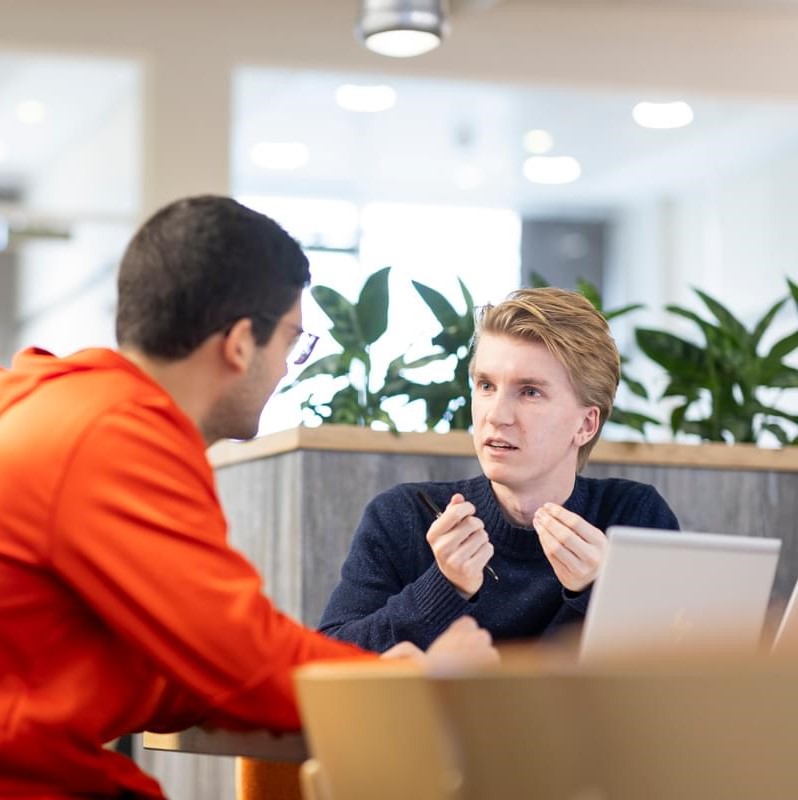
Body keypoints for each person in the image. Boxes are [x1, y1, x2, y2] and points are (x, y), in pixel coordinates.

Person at [0, 195, 496, 799]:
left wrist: (370, 675)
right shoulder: (116, 438)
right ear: (239, 343)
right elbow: (244, 661)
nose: (289, 365)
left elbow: (189, 663)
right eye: (293, 340)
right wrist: (417, 684)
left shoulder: (54, 401)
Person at [319, 287, 680, 652]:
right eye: (486, 385)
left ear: (586, 425)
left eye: (530, 392)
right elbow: (330, 663)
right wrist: (443, 587)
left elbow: (683, 677)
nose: (495, 415)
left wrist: (602, 592)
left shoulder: (632, 518)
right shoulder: (404, 516)